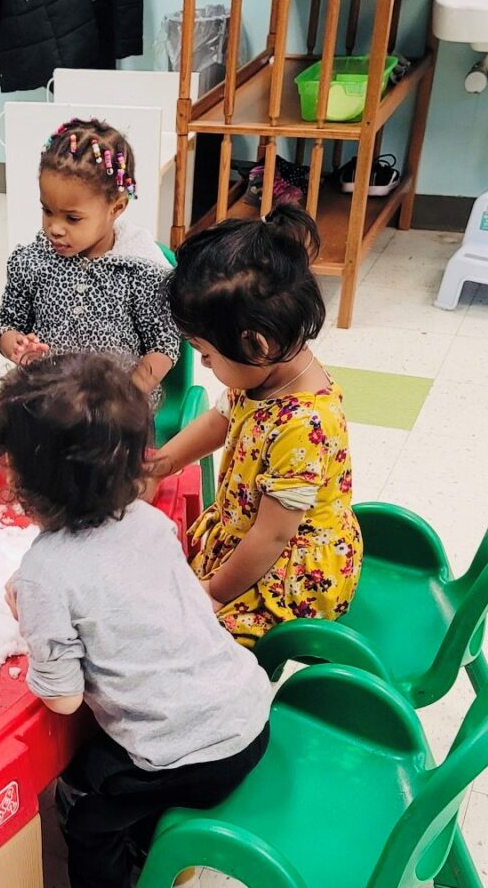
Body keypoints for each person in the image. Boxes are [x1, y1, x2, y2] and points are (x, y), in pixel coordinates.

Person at [0, 353, 272, 888]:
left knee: (87, 805)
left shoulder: (45, 572)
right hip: (250, 715)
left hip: (190, 757)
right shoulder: (147, 521)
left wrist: (30, 616)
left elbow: (64, 698)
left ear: (24, 484)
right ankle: (151, 829)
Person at [148, 206, 363, 647]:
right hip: (251, 534)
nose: (204, 365)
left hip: (289, 571)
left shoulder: (304, 424)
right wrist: (160, 463)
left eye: (206, 355)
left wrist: (213, 593)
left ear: (257, 344)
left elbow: (273, 534)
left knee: (192, 639)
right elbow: (222, 421)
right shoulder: (265, 373)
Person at [0, 118, 180, 398]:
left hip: (116, 411)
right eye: (47, 211)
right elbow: (8, 325)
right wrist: (17, 347)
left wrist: (128, 395)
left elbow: (163, 344)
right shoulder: (30, 262)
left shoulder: (141, 271)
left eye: (72, 218)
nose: (55, 228)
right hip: (47, 397)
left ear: (115, 208)